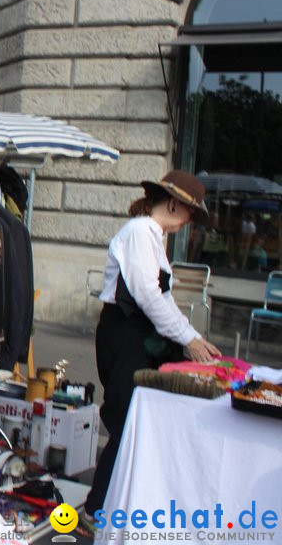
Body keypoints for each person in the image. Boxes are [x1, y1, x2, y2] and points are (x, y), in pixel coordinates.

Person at [84, 171, 223, 517]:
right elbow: (149, 296)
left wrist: (192, 336)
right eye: (190, 214)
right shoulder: (139, 232)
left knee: (137, 418)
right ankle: (95, 509)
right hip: (126, 334)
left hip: (138, 334)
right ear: (175, 204)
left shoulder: (151, 235)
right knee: (126, 419)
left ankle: (118, 502)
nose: (189, 222)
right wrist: (189, 339)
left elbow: (161, 298)